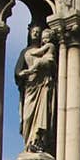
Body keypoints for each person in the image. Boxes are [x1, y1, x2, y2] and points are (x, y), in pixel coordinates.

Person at [15, 23, 57, 153]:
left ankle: (38, 141)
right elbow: (18, 70)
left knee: (42, 113)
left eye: (39, 32)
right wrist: (22, 74)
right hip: (30, 86)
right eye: (34, 31)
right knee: (28, 117)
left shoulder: (47, 48)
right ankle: (29, 141)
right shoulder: (26, 52)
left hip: (42, 85)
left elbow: (52, 65)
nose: (36, 34)